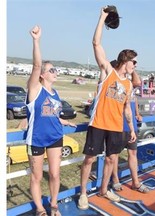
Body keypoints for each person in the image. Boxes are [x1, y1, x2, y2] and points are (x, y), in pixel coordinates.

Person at [78, 6, 137, 210]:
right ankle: (83, 193)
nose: (135, 65)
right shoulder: (108, 72)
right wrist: (102, 18)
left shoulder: (128, 84)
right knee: (90, 159)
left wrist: (130, 128)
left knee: (112, 159)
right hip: (98, 123)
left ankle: (104, 189)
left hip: (115, 126)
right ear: (125, 60)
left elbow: (126, 108)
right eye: (133, 62)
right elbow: (96, 43)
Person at [26, 25, 76, 216]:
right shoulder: (35, 89)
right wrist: (36, 41)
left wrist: (64, 122)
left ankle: (53, 204)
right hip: (36, 139)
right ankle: (40, 209)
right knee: (37, 176)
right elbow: (36, 65)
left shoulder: (55, 93)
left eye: (56, 69)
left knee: (55, 174)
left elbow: (52, 114)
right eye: (52, 69)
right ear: (43, 74)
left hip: (56, 136)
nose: (56, 72)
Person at [111, 74, 150, 193]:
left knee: (133, 153)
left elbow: (135, 96)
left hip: (131, 127)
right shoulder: (115, 85)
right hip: (117, 126)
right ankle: (115, 180)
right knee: (115, 155)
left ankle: (135, 182)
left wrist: (137, 113)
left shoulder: (129, 85)